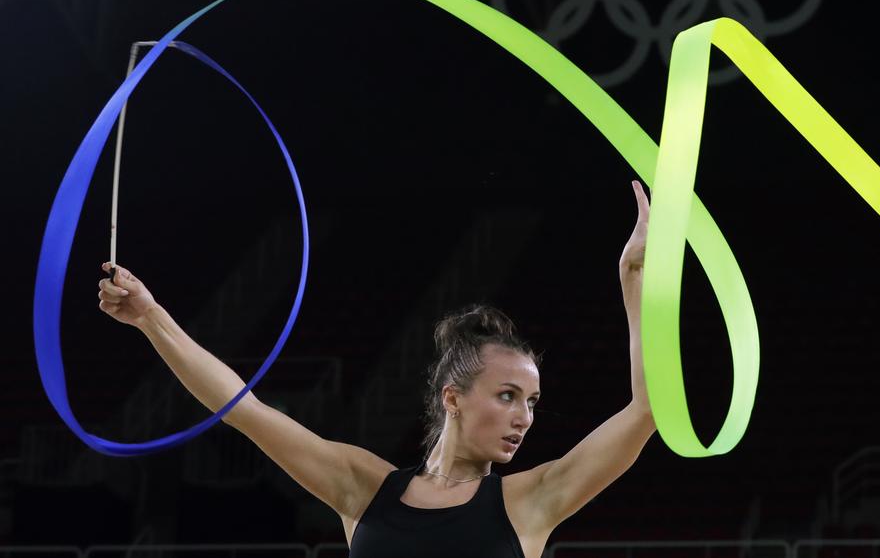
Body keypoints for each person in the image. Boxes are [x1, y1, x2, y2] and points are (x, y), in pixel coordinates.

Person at [97, 180, 658, 556]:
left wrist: (634, 283)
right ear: (453, 397)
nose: (525, 417)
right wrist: (151, 318)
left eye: (532, 402)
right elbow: (243, 409)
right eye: (508, 395)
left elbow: (649, 409)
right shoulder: (366, 488)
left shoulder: (532, 500)